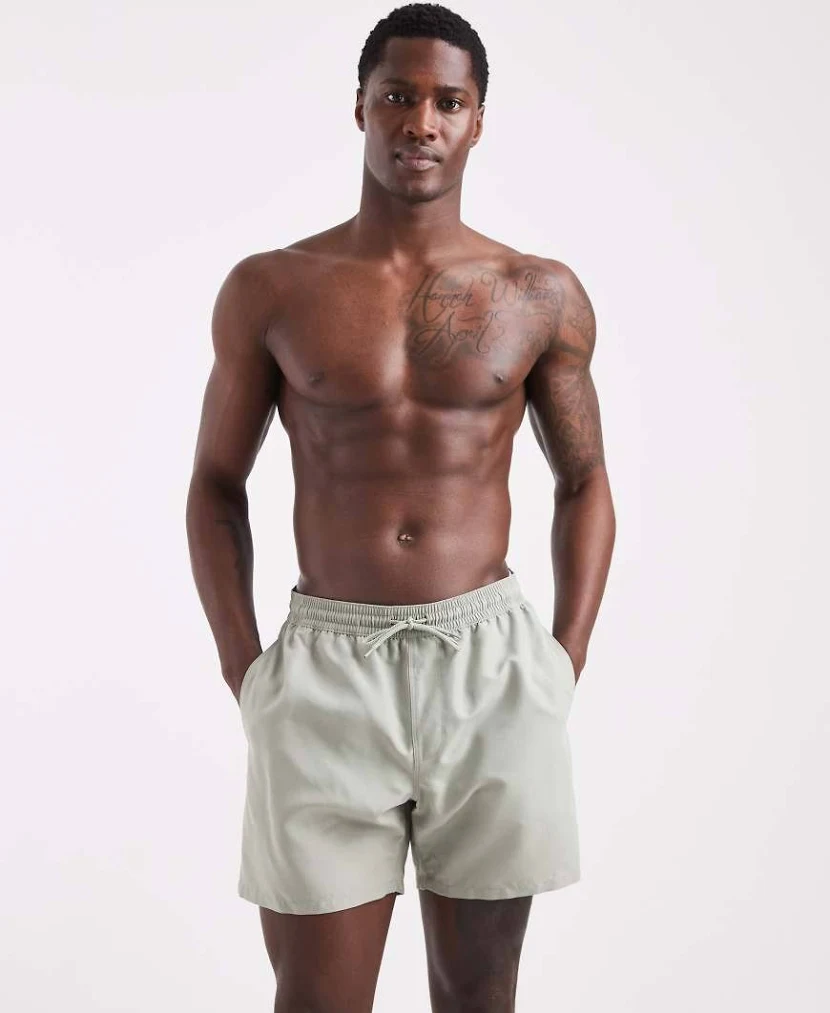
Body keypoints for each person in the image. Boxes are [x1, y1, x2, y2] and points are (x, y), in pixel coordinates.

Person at [186, 3, 615, 1010]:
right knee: (316, 998)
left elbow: (586, 478)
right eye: (398, 96)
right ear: (360, 108)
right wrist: (245, 668)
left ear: (477, 121)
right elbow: (215, 483)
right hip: (325, 670)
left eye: (447, 102)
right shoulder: (273, 287)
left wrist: (563, 659)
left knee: (477, 993)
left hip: (491, 669)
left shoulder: (536, 291)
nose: (420, 121)